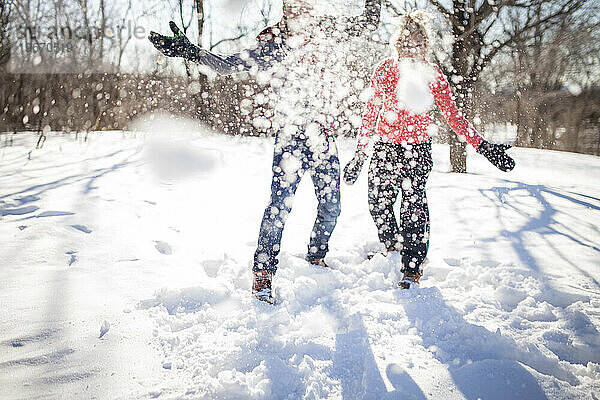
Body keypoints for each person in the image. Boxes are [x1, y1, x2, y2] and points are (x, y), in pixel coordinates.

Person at [149, 0, 382, 303]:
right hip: (291, 139)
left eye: (305, 5)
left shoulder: (326, 32)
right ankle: (263, 271)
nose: (300, 11)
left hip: (323, 138)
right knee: (279, 207)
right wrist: (190, 52)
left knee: (332, 207)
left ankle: (316, 254)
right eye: (293, 6)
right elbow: (229, 65)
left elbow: (367, 23)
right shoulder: (275, 45)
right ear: (286, 10)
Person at [343, 10, 515, 289]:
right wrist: (361, 153)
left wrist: (481, 145)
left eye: (418, 44)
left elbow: (453, 116)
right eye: (406, 43)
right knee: (378, 203)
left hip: (417, 150)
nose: (412, 49)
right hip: (386, 148)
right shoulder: (384, 70)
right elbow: (370, 112)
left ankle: (412, 266)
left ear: (425, 46)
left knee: (414, 208)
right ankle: (394, 245)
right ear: (397, 45)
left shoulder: (432, 74)